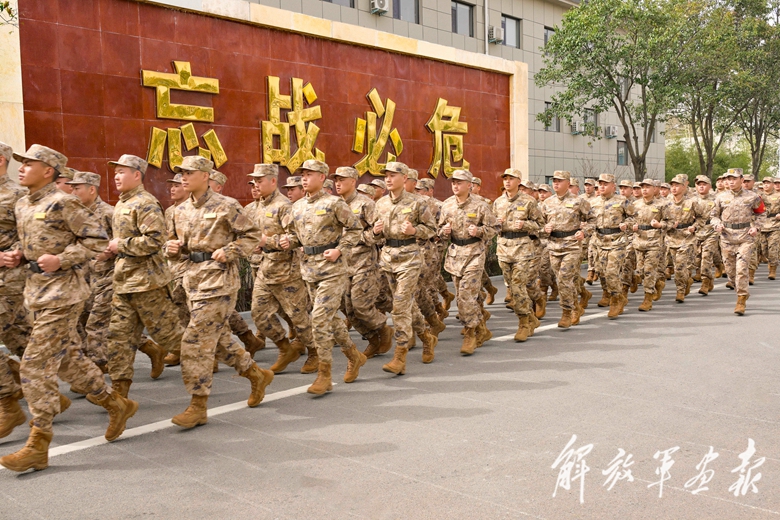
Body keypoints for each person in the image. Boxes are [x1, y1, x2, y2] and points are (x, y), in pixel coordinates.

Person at [1, 145, 137, 472]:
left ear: (48, 170)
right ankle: (116, 403)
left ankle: (38, 443)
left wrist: (62, 259)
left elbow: (97, 240)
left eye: (30, 164)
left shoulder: (64, 202)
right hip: (36, 292)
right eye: (21, 163)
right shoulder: (23, 203)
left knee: (34, 365)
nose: (22, 168)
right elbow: (31, 241)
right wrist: (18, 254)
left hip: (65, 293)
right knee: (68, 360)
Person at [165, 155, 274, 428]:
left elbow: (251, 235)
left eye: (189, 172)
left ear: (205, 176)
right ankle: (256, 375)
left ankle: (198, 405)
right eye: (181, 173)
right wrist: (172, 249)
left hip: (219, 283)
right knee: (221, 341)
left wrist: (231, 250)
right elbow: (176, 245)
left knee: (194, 341)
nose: (183, 177)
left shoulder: (226, 205)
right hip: (192, 282)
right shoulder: (179, 210)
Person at [281, 159, 365, 394]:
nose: (304, 178)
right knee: (331, 320)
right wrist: (288, 241)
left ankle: (324, 374)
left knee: (318, 319)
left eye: (309, 174)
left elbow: (355, 229)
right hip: (309, 270)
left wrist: (340, 250)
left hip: (332, 270)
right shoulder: (297, 206)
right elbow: (295, 236)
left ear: (321, 177)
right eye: (303, 175)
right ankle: (354, 355)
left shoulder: (334, 203)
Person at [102, 155, 183, 399]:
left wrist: (120, 245)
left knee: (171, 337)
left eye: (122, 172)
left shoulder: (145, 203)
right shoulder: (122, 203)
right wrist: (112, 250)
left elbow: (155, 240)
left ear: (137, 175)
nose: (116, 176)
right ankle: (119, 397)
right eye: (115, 172)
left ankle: (242, 367)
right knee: (118, 338)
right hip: (125, 283)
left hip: (148, 284)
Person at [246, 164, 316, 374]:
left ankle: (315, 352)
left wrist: (267, 241)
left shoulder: (284, 206)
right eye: (254, 181)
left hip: (287, 270)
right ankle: (285, 348)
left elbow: (296, 238)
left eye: (260, 180)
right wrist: (254, 245)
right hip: (265, 267)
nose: (256, 185)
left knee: (298, 317)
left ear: (273, 181)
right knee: (259, 314)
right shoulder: (256, 207)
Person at [370, 162, 436, 373]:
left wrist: (414, 230)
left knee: (399, 305)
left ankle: (400, 355)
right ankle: (426, 337)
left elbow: (431, 229)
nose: (388, 179)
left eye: (393, 175)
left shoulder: (417, 202)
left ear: (405, 178)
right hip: (388, 257)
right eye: (386, 176)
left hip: (409, 258)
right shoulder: (381, 203)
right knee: (406, 305)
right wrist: (375, 232)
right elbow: (373, 234)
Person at [333, 166, 394, 358]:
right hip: (342, 264)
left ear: (353, 181)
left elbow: (379, 233)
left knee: (361, 305)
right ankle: (372, 339)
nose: (337, 183)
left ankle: (383, 328)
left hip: (364, 262)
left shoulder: (365, 204)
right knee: (348, 310)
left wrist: (365, 236)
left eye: (342, 180)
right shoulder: (333, 204)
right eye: (336, 180)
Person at [439, 170, 498, 355]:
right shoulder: (447, 205)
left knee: (465, 296)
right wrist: (444, 231)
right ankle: (482, 329)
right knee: (462, 296)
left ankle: (470, 334)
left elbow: (495, 227)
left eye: (459, 182)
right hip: (455, 255)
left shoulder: (480, 205)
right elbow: (438, 229)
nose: (455, 186)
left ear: (469, 185)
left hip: (474, 254)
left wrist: (479, 231)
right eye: (453, 182)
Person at [492, 168, 544, 341]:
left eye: (511, 178)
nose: (507, 181)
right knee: (513, 290)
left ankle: (523, 324)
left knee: (518, 287)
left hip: (522, 249)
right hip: (504, 249)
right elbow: (490, 226)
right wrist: (496, 224)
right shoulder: (498, 202)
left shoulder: (528, 201)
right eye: (505, 178)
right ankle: (531, 318)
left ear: (519, 181)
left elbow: (540, 225)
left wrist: (525, 225)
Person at [542, 171, 593, 328]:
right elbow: (538, 224)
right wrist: (544, 229)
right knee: (563, 281)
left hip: (571, 245)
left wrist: (584, 232)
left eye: (559, 181)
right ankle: (575, 307)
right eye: (554, 181)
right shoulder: (547, 203)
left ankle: (567, 312)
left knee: (564, 279)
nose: (556, 183)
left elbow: (593, 220)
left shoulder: (579, 201)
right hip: (554, 245)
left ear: (567, 183)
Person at [711, 168, 765, 315]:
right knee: (730, 272)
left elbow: (761, 213)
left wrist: (756, 227)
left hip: (745, 237)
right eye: (729, 179)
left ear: (741, 180)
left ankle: (741, 299)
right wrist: (717, 224)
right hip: (727, 237)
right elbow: (713, 216)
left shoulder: (753, 197)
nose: (731, 181)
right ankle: (741, 291)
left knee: (741, 269)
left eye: (734, 179)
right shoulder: (720, 197)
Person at [590, 173, 634, 318]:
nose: (602, 186)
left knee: (611, 272)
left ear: (613, 186)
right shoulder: (593, 202)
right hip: (599, 241)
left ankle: (615, 300)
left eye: (605, 184)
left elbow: (634, 217)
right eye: (600, 184)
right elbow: (588, 219)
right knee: (601, 272)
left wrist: (627, 224)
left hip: (617, 241)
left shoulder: (622, 201)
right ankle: (617, 296)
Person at [631, 178, 672, 311]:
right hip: (639, 241)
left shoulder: (662, 204)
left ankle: (647, 298)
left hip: (654, 242)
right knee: (641, 272)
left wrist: (660, 225)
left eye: (647, 187)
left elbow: (670, 222)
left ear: (654, 189)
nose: (644, 190)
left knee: (649, 270)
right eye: (642, 187)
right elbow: (629, 219)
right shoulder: (635, 204)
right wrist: (632, 226)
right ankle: (657, 283)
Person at [665, 174, 706, 303]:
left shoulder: (692, 201)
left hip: (687, 238)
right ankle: (686, 281)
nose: (674, 188)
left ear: (684, 187)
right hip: (671, 237)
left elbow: (702, 217)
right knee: (677, 266)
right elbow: (662, 218)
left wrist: (695, 226)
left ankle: (680, 290)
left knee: (680, 267)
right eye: (672, 185)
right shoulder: (666, 202)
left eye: (677, 185)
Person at [758, 177, 780, 280]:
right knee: (764, 250)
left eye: (768, 183)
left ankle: (772, 270)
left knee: (773, 250)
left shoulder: (778, 195)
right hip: (762, 225)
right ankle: (771, 263)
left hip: (775, 225)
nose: (766, 185)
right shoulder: (759, 196)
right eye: (764, 183)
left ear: (772, 184)